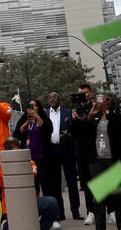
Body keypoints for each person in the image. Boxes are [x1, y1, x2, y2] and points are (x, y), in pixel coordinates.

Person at [72, 93, 121, 230]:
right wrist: (90, 117)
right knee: (99, 199)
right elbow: (83, 133)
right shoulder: (93, 117)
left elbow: (118, 128)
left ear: (112, 102)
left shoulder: (118, 117)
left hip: (114, 161)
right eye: (100, 100)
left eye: (106, 99)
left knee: (118, 197)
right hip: (97, 161)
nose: (102, 102)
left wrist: (106, 113)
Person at [0, 138, 62, 230]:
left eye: (15, 146)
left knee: (51, 203)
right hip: (10, 208)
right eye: (9, 147)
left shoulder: (28, 161)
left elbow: (32, 173)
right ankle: (5, 223)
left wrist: (17, 164)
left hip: (30, 202)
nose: (13, 149)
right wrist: (2, 164)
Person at [44, 92, 80, 221]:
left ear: (59, 100)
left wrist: (68, 135)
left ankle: (75, 211)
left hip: (66, 149)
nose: (52, 99)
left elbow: (75, 131)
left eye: (55, 97)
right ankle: (60, 212)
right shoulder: (45, 114)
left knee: (72, 182)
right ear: (48, 101)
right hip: (52, 151)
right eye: (50, 97)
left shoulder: (68, 112)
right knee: (55, 184)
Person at [71, 83, 99, 224]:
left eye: (85, 93)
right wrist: (74, 119)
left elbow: (94, 128)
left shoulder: (96, 108)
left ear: (91, 93)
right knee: (87, 184)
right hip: (81, 152)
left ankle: (109, 209)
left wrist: (87, 118)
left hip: (96, 150)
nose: (83, 96)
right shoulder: (75, 110)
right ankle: (90, 211)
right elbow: (72, 131)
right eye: (80, 93)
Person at [15, 99, 52, 196]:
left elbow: (48, 131)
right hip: (28, 158)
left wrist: (36, 116)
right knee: (32, 184)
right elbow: (17, 134)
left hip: (42, 157)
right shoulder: (24, 118)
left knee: (45, 183)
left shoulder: (43, 117)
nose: (33, 108)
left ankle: (48, 206)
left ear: (39, 108)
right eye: (31, 106)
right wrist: (26, 124)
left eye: (35, 106)